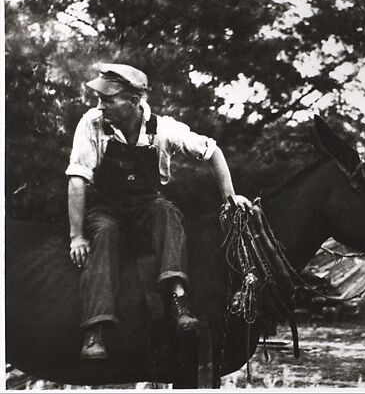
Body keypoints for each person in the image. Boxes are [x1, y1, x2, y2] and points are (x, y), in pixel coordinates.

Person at [66, 63, 251, 360]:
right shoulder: (92, 124)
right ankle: (95, 330)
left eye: (108, 100)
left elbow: (211, 150)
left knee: (167, 212)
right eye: (100, 99)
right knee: (104, 234)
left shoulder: (163, 129)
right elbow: (77, 179)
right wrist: (77, 235)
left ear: (134, 101)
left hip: (146, 203)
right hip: (107, 208)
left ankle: (179, 302)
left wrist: (230, 198)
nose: (100, 106)